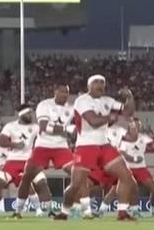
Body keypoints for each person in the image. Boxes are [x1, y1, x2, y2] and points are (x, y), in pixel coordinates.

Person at [57, 74, 137, 221]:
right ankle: (64, 212)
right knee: (76, 184)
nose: (100, 85)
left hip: (104, 145)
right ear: (89, 86)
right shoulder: (82, 101)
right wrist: (110, 117)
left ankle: (122, 212)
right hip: (85, 146)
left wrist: (130, 98)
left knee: (126, 177)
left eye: (102, 82)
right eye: (96, 82)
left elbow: (128, 112)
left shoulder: (108, 101)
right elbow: (93, 121)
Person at [15, 85, 74, 218]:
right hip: (43, 145)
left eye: (67, 92)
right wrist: (67, 129)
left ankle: (82, 209)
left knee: (77, 174)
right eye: (62, 91)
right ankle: (18, 211)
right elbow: (44, 126)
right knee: (27, 177)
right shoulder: (44, 105)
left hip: (62, 146)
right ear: (55, 92)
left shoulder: (71, 109)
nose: (65, 94)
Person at [0, 104, 39, 218]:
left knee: (28, 187)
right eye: (28, 113)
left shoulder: (35, 127)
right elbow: (1, 142)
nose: (31, 115)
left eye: (31, 113)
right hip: (12, 161)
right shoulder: (10, 126)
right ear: (22, 115)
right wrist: (15, 145)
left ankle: (39, 210)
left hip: (27, 160)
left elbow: (45, 135)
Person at [116, 118, 154, 217]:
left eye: (138, 126)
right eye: (133, 126)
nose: (136, 128)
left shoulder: (143, 137)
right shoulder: (124, 140)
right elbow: (124, 154)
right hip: (128, 168)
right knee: (132, 190)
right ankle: (133, 210)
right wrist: (135, 159)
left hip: (141, 168)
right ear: (129, 128)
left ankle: (153, 210)